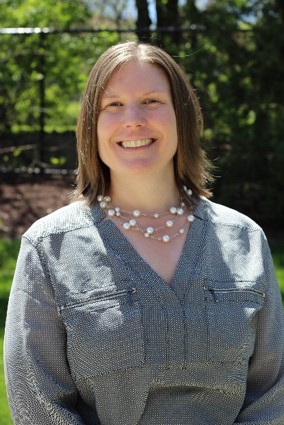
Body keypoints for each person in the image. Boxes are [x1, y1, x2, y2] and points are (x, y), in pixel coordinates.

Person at [4, 41, 284, 425]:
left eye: (151, 101)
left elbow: (271, 395)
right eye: (113, 105)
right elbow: (37, 404)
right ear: (91, 126)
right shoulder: (48, 247)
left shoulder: (246, 240)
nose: (133, 118)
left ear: (182, 117)